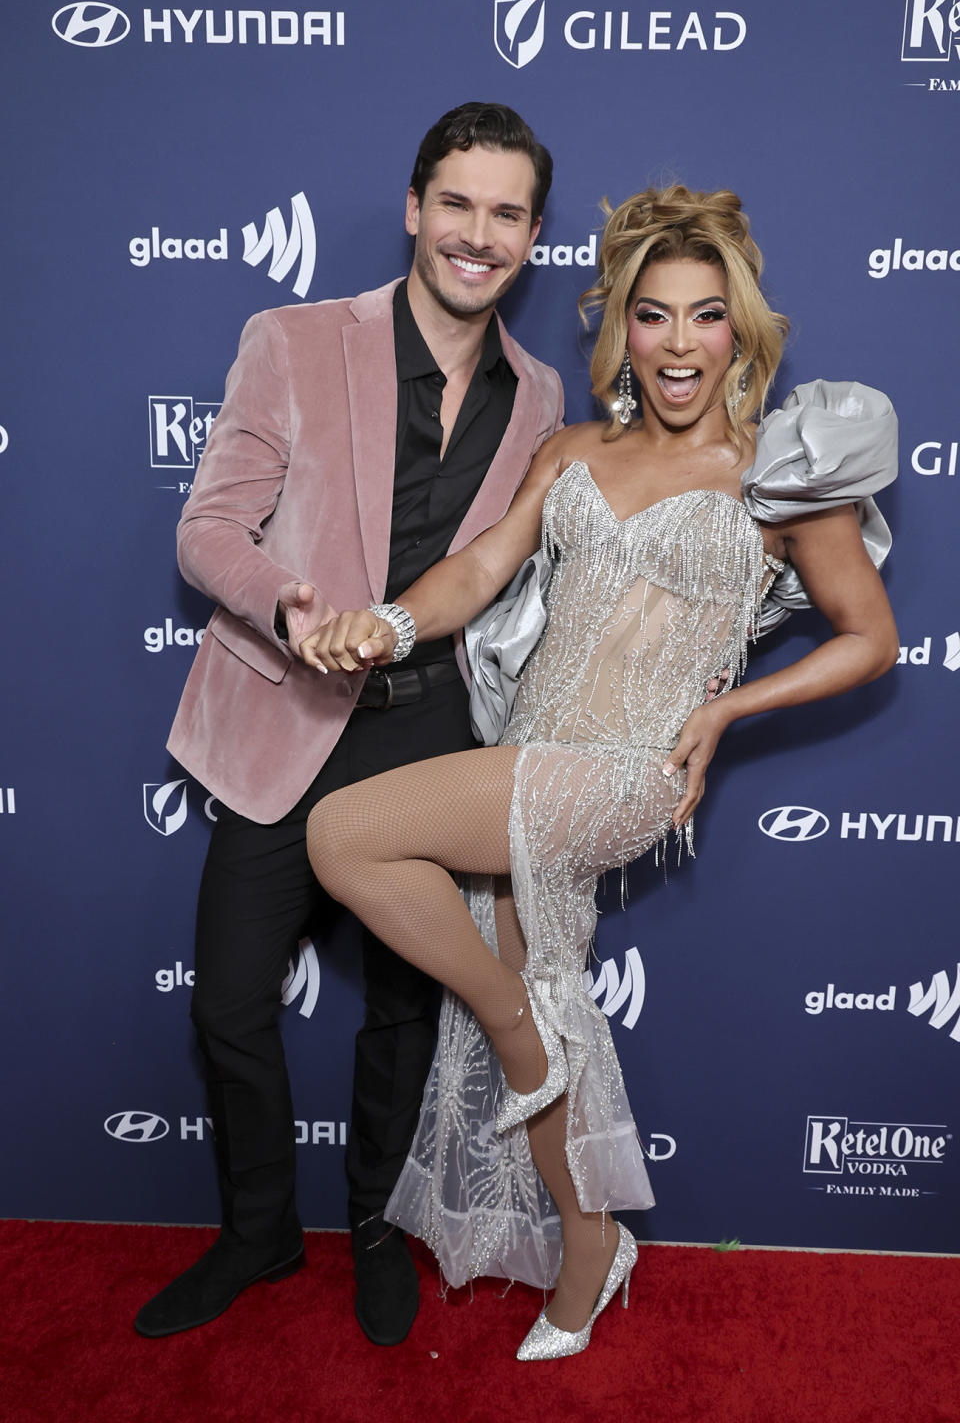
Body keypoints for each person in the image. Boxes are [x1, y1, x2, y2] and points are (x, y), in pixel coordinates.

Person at [298, 185, 899, 1360]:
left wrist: (727, 708)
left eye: (706, 317)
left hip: (624, 773)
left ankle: (513, 1024)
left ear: (742, 333)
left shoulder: (778, 476)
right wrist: (382, 624)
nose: (679, 343)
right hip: (524, 749)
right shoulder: (571, 447)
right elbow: (475, 575)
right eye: (654, 316)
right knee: (552, 995)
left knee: (346, 839)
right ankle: (590, 1245)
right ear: (621, 328)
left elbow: (868, 637)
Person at [134, 103, 563, 1345]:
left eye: (506, 214)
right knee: (227, 1002)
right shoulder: (295, 337)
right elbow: (206, 528)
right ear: (418, 206)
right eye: (458, 205)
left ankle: (376, 1223)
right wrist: (291, 607)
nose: (476, 235)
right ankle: (259, 1235)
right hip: (288, 714)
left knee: (405, 1010)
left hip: (430, 735)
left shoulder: (541, 403)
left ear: (531, 236)